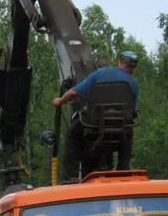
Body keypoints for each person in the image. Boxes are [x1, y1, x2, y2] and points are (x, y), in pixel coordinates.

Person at [52, 51, 139, 180]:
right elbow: (132, 112)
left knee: (72, 135)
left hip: (93, 125)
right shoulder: (133, 84)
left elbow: (73, 93)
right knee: (128, 133)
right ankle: (123, 171)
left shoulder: (100, 73)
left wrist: (60, 101)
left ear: (119, 62)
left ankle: (70, 178)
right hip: (120, 128)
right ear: (133, 68)